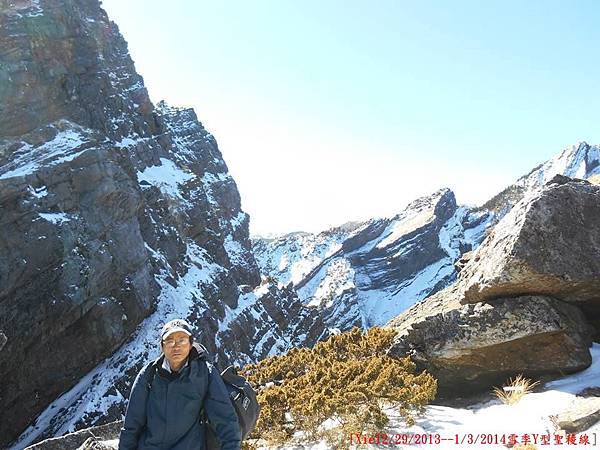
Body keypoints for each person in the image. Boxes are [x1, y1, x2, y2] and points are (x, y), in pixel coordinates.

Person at [119, 319, 241, 450]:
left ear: (191, 344)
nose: (176, 346)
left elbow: (225, 419)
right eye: (170, 341)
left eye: (182, 340)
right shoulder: (148, 375)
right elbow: (132, 426)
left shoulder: (205, 373)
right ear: (162, 346)